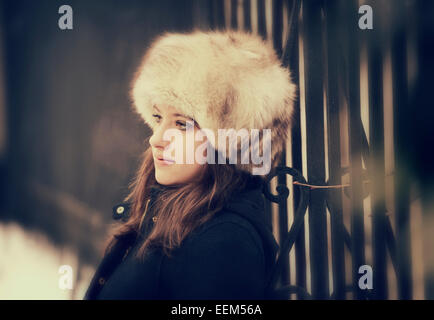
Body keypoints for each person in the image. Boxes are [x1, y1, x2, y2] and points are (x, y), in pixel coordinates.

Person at [84, 29, 296, 300]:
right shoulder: (161, 211)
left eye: (182, 124)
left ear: (229, 142)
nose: (156, 139)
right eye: (159, 117)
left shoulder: (224, 242)